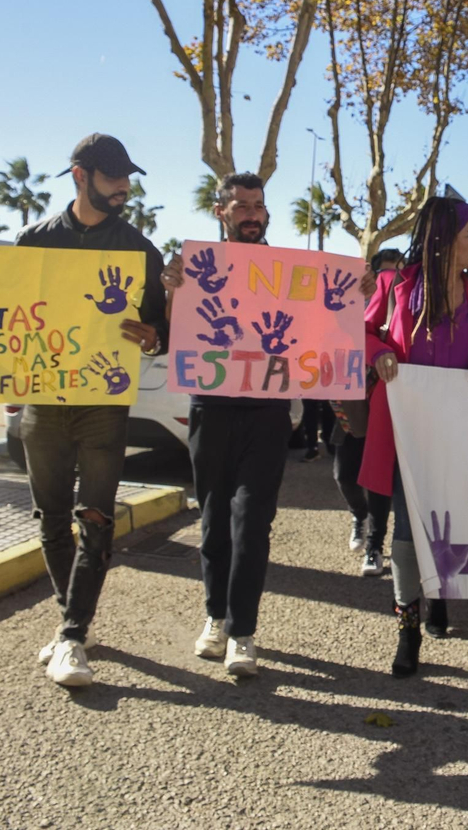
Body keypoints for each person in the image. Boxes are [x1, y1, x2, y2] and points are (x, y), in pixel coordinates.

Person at [0, 133, 167, 688]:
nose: (124, 187)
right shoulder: (34, 239)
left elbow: (161, 336)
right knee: (51, 517)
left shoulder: (138, 250)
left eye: (127, 177)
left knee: (96, 516)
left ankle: (74, 637)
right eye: (112, 177)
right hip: (40, 399)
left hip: (102, 402)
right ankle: (71, 620)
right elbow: (3, 316)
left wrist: (150, 337)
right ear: (80, 175)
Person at [362, 197, 468, 677]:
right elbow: (362, 332)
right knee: (406, 528)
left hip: (463, 430)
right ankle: (407, 626)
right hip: (407, 427)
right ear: (443, 239)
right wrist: (380, 351)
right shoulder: (395, 286)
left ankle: (440, 593)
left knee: (452, 523)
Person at [160, 173, 292, 678]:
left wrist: (354, 294)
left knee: (253, 520)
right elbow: (173, 335)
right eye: (241, 207)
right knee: (214, 517)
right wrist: (172, 291)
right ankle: (215, 617)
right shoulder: (195, 268)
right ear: (222, 212)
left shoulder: (291, 273)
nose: (252, 215)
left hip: (267, 410)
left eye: (258, 206)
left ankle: (243, 632)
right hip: (210, 406)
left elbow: (325, 326)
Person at [332, 250, 403, 578]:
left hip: (385, 402)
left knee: (380, 479)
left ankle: (374, 545)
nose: (390, 281)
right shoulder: (344, 300)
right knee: (344, 474)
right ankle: (358, 515)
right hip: (348, 403)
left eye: (396, 274)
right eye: (384, 274)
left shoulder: (403, 305)